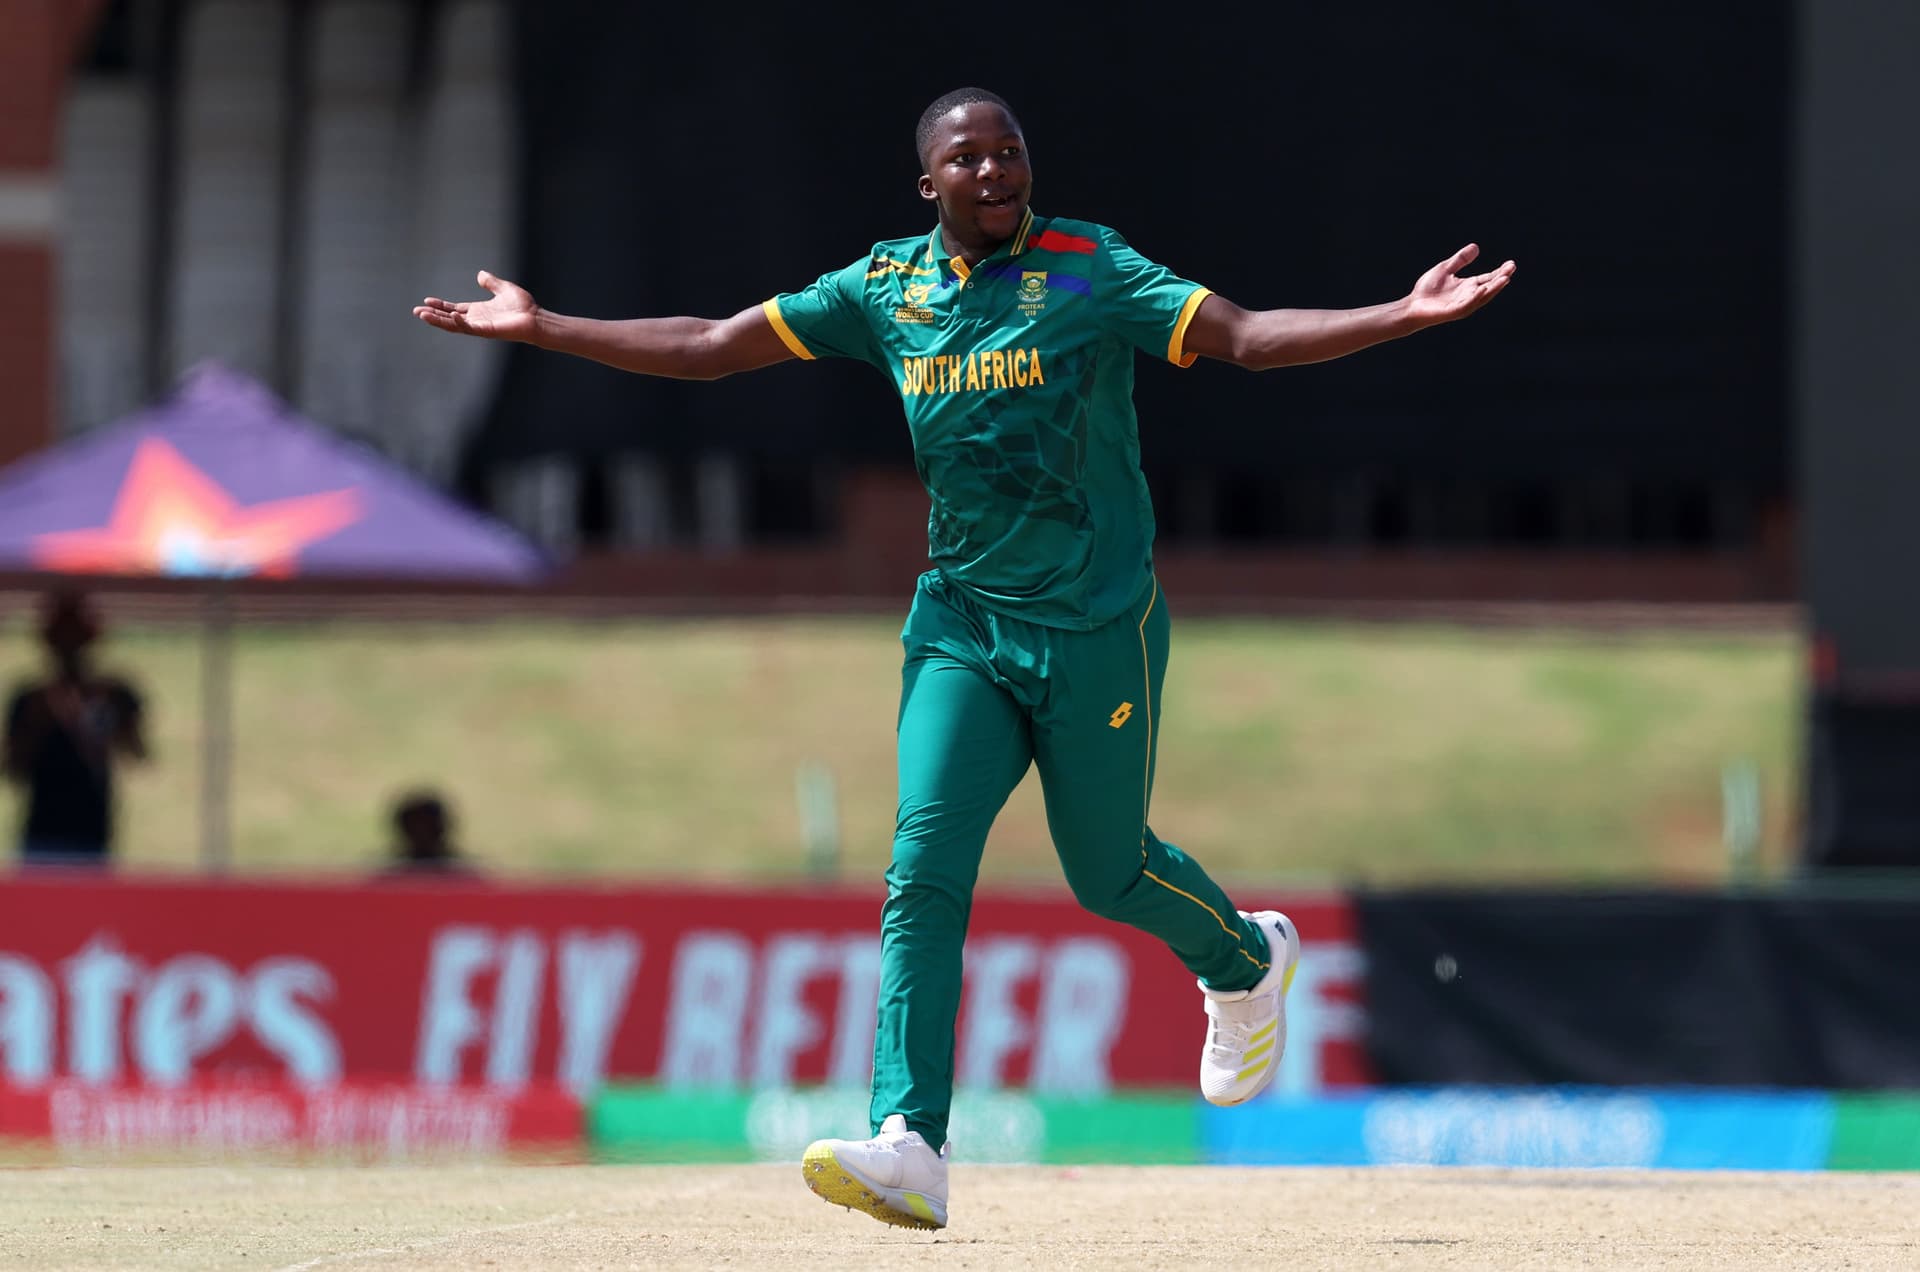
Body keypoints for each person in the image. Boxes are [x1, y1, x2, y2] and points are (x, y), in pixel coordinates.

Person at [414, 87, 1514, 1229]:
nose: (995, 174)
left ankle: (1244, 963)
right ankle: (911, 1143)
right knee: (922, 869)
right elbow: (710, 348)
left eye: (1011, 153)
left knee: (1107, 872)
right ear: (926, 183)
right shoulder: (883, 288)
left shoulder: (1090, 267)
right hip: (962, 625)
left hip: (1096, 625)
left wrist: (1401, 312)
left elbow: (1240, 337)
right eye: (968, 159)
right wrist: (544, 329)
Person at [3, 590, 148, 863]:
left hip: (93, 831)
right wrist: (42, 719)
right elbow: (12, 767)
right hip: (42, 832)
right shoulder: (29, 699)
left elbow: (137, 753)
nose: (70, 645)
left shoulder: (113, 694)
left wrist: (102, 718)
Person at [382, 789, 472, 874]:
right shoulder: (466, 874)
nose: (422, 833)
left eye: (429, 827)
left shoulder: (388, 875)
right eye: (416, 827)